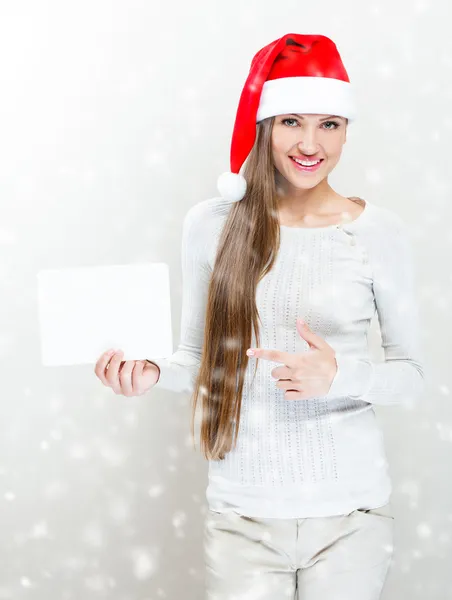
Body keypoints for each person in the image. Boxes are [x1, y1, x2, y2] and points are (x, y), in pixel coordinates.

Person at [95, 33, 425, 600]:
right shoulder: (212, 224)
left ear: (347, 130)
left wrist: (340, 376)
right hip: (242, 518)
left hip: (350, 519)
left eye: (330, 124)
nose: (310, 143)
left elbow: (412, 377)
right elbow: (196, 359)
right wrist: (150, 372)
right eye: (292, 121)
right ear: (265, 126)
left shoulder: (377, 233)